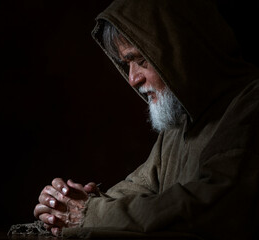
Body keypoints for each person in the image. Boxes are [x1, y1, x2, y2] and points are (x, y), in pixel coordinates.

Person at [33, 0, 259, 239]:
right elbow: (137, 189)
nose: (132, 79)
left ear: (183, 50)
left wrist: (89, 213)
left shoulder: (250, 106)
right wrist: (67, 204)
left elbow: (212, 207)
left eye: (141, 60)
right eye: (126, 63)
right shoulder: (181, 121)